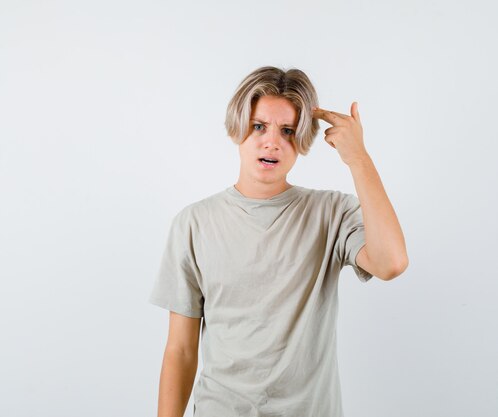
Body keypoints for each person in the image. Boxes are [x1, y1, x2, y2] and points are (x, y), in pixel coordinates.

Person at [148, 65, 408, 417]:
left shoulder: (330, 213)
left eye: (287, 131)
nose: (272, 141)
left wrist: (358, 158)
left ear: (301, 142)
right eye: (259, 126)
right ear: (236, 129)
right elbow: (180, 349)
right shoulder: (194, 224)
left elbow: (391, 262)